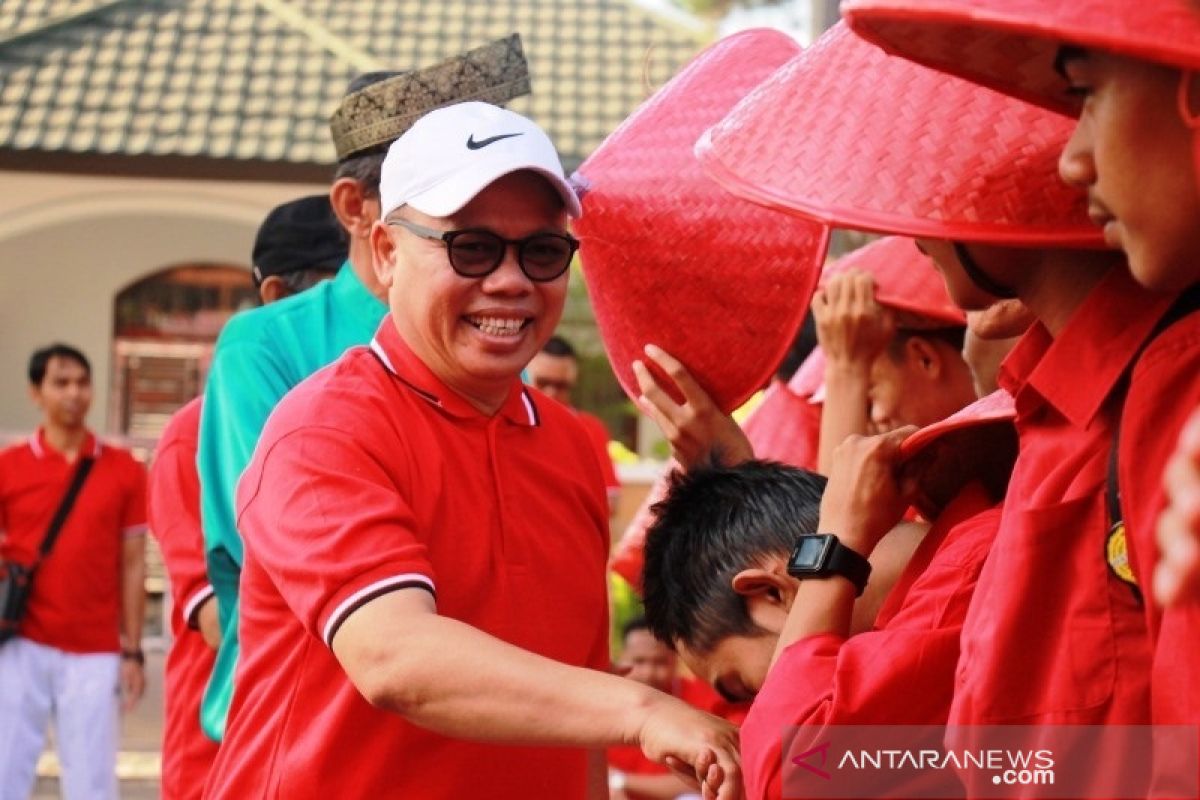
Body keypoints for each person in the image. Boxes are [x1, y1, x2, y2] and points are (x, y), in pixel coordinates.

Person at [699, 18, 1199, 795]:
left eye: (1087, 94)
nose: (1075, 153)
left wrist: (831, 552)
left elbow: (803, 771)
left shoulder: (1133, 410)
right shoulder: (1047, 427)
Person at [202, 102, 740, 800]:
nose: (511, 281)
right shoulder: (324, 430)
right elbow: (395, 656)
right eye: (472, 247)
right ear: (388, 253)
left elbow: (576, 686)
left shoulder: (571, 445)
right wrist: (642, 711)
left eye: (542, 252)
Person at [196, 38, 531, 741]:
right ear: (359, 210)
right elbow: (280, 544)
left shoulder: (494, 336)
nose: (503, 267)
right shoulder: (266, 346)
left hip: (486, 717)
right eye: (446, 193)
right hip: (318, 728)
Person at [642, 418, 1011, 799]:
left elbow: (784, 778)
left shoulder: (964, 583)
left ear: (771, 593)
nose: (761, 709)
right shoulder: (949, 577)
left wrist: (835, 547)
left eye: (746, 688)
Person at [148, 195, 345, 800]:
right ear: (279, 296)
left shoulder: (358, 418)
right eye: (339, 299)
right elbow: (218, 620)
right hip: (225, 751)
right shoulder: (191, 435)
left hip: (322, 747)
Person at [0, 344, 147, 799]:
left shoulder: (124, 470)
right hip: (19, 642)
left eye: (82, 382)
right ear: (36, 392)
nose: (74, 392)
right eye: (60, 382)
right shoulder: (8, 468)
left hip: (94, 649)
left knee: (92, 782)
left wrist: (133, 650)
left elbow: (133, 563)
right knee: (6, 771)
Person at [608, 617, 703, 800]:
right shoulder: (601, 703)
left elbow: (705, 782)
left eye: (659, 662)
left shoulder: (703, 698)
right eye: (639, 661)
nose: (649, 672)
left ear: (675, 661)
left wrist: (620, 781)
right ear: (621, 658)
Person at [527, 334, 622, 513]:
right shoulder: (506, 422)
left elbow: (610, 501)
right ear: (526, 376)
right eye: (543, 382)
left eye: (561, 385)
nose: (551, 392)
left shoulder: (589, 428)